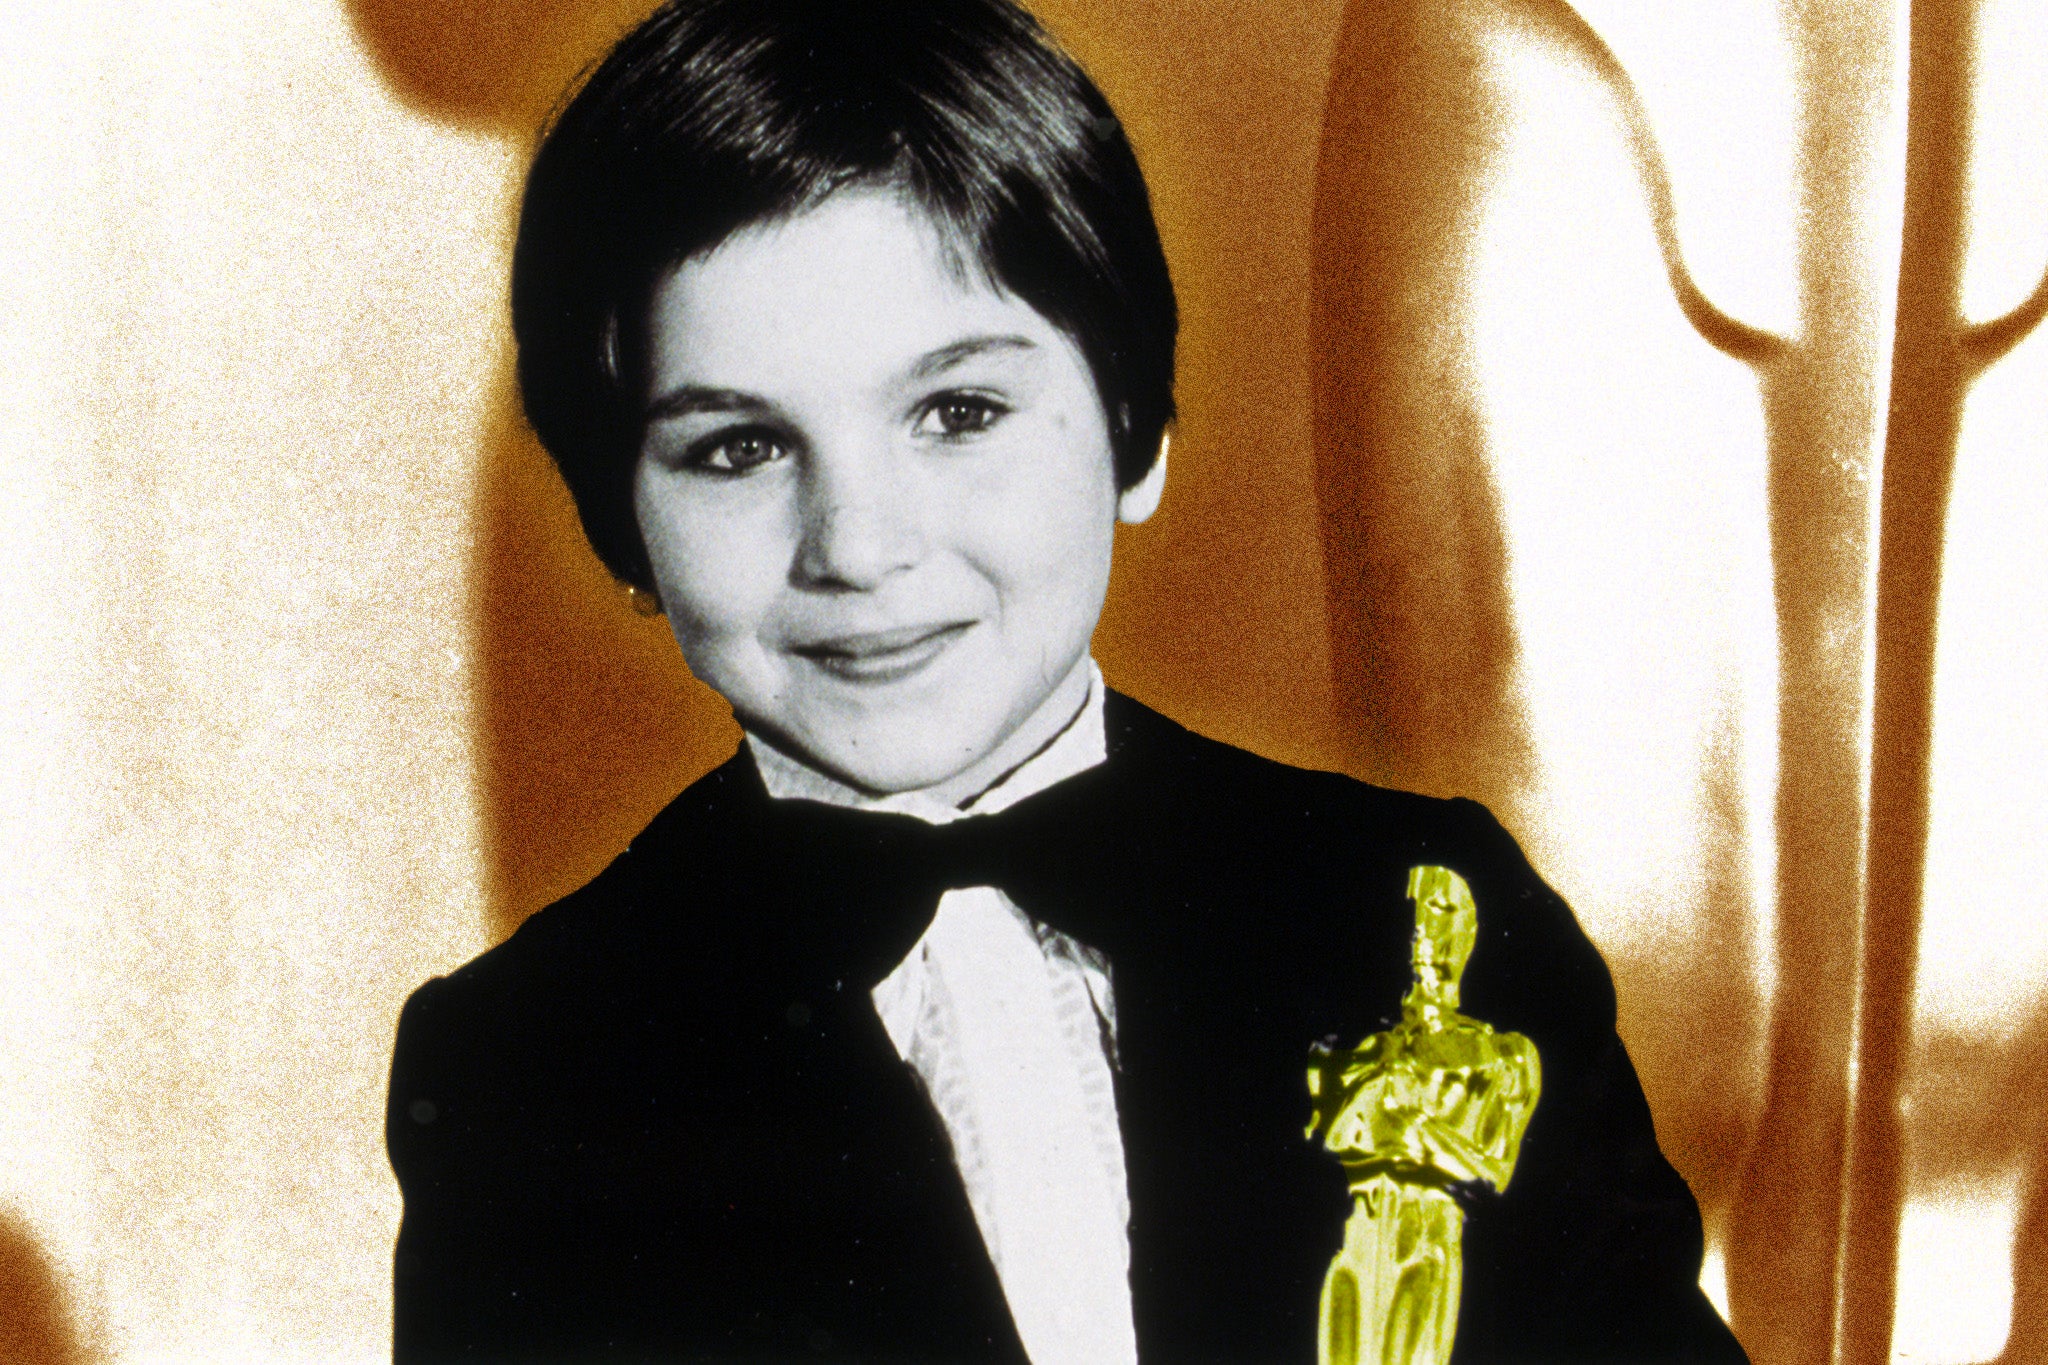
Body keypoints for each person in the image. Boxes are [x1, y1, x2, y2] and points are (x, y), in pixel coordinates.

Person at [385, 0, 1749, 1360]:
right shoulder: (528, 1069)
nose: (858, 548)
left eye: (957, 413)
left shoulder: (1424, 909)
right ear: (624, 521)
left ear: (1134, 428)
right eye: (740, 448)